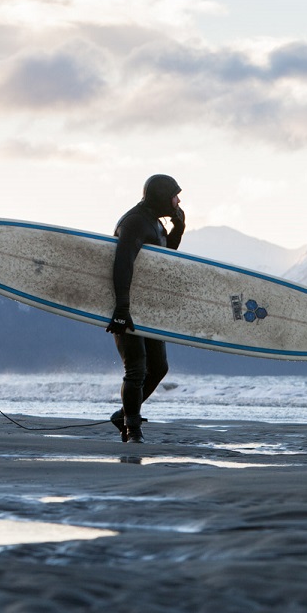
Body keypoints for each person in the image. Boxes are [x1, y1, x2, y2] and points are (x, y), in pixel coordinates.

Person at [105, 174, 185, 443]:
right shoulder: (136, 221)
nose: (178, 200)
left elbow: (161, 261)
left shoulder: (155, 224)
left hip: (148, 308)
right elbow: (123, 262)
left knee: (159, 367)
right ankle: (132, 428)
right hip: (125, 303)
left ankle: (123, 415)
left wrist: (178, 229)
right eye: (175, 195)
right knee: (137, 367)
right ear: (163, 196)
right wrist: (122, 307)